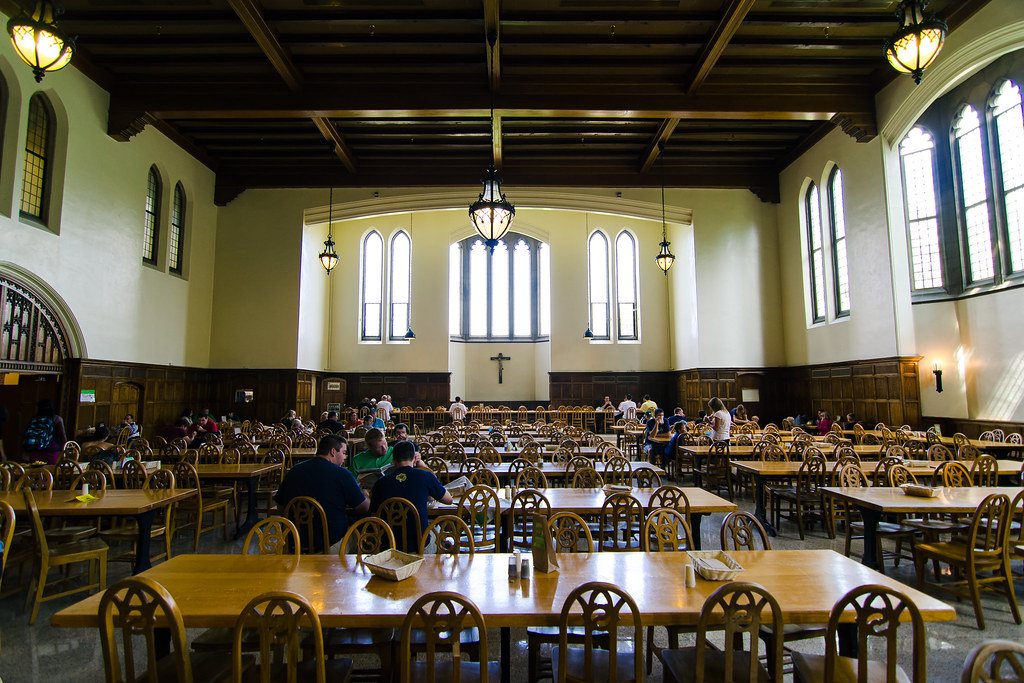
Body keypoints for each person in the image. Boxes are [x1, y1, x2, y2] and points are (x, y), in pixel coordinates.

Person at [274, 434, 369, 550]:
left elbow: (280, 507)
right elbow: (363, 508)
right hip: (329, 545)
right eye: (343, 453)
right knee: (362, 533)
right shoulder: (342, 474)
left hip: (293, 543)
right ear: (333, 452)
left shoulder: (294, 470)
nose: (345, 457)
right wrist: (365, 495)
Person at [370, 441, 452, 551]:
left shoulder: (380, 483)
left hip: (389, 546)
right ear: (414, 459)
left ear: (393, 461)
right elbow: (448, 500)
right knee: (437, 530)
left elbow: (374, 515)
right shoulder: (426, 476)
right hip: (420, 546)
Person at [21, 398, 67, 465]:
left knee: (35, 472)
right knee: (49, 471)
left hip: (35, 450)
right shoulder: (57, 419)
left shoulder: (34, 419)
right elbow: (63, 436)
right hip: (51, 450)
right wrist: (63, 450)